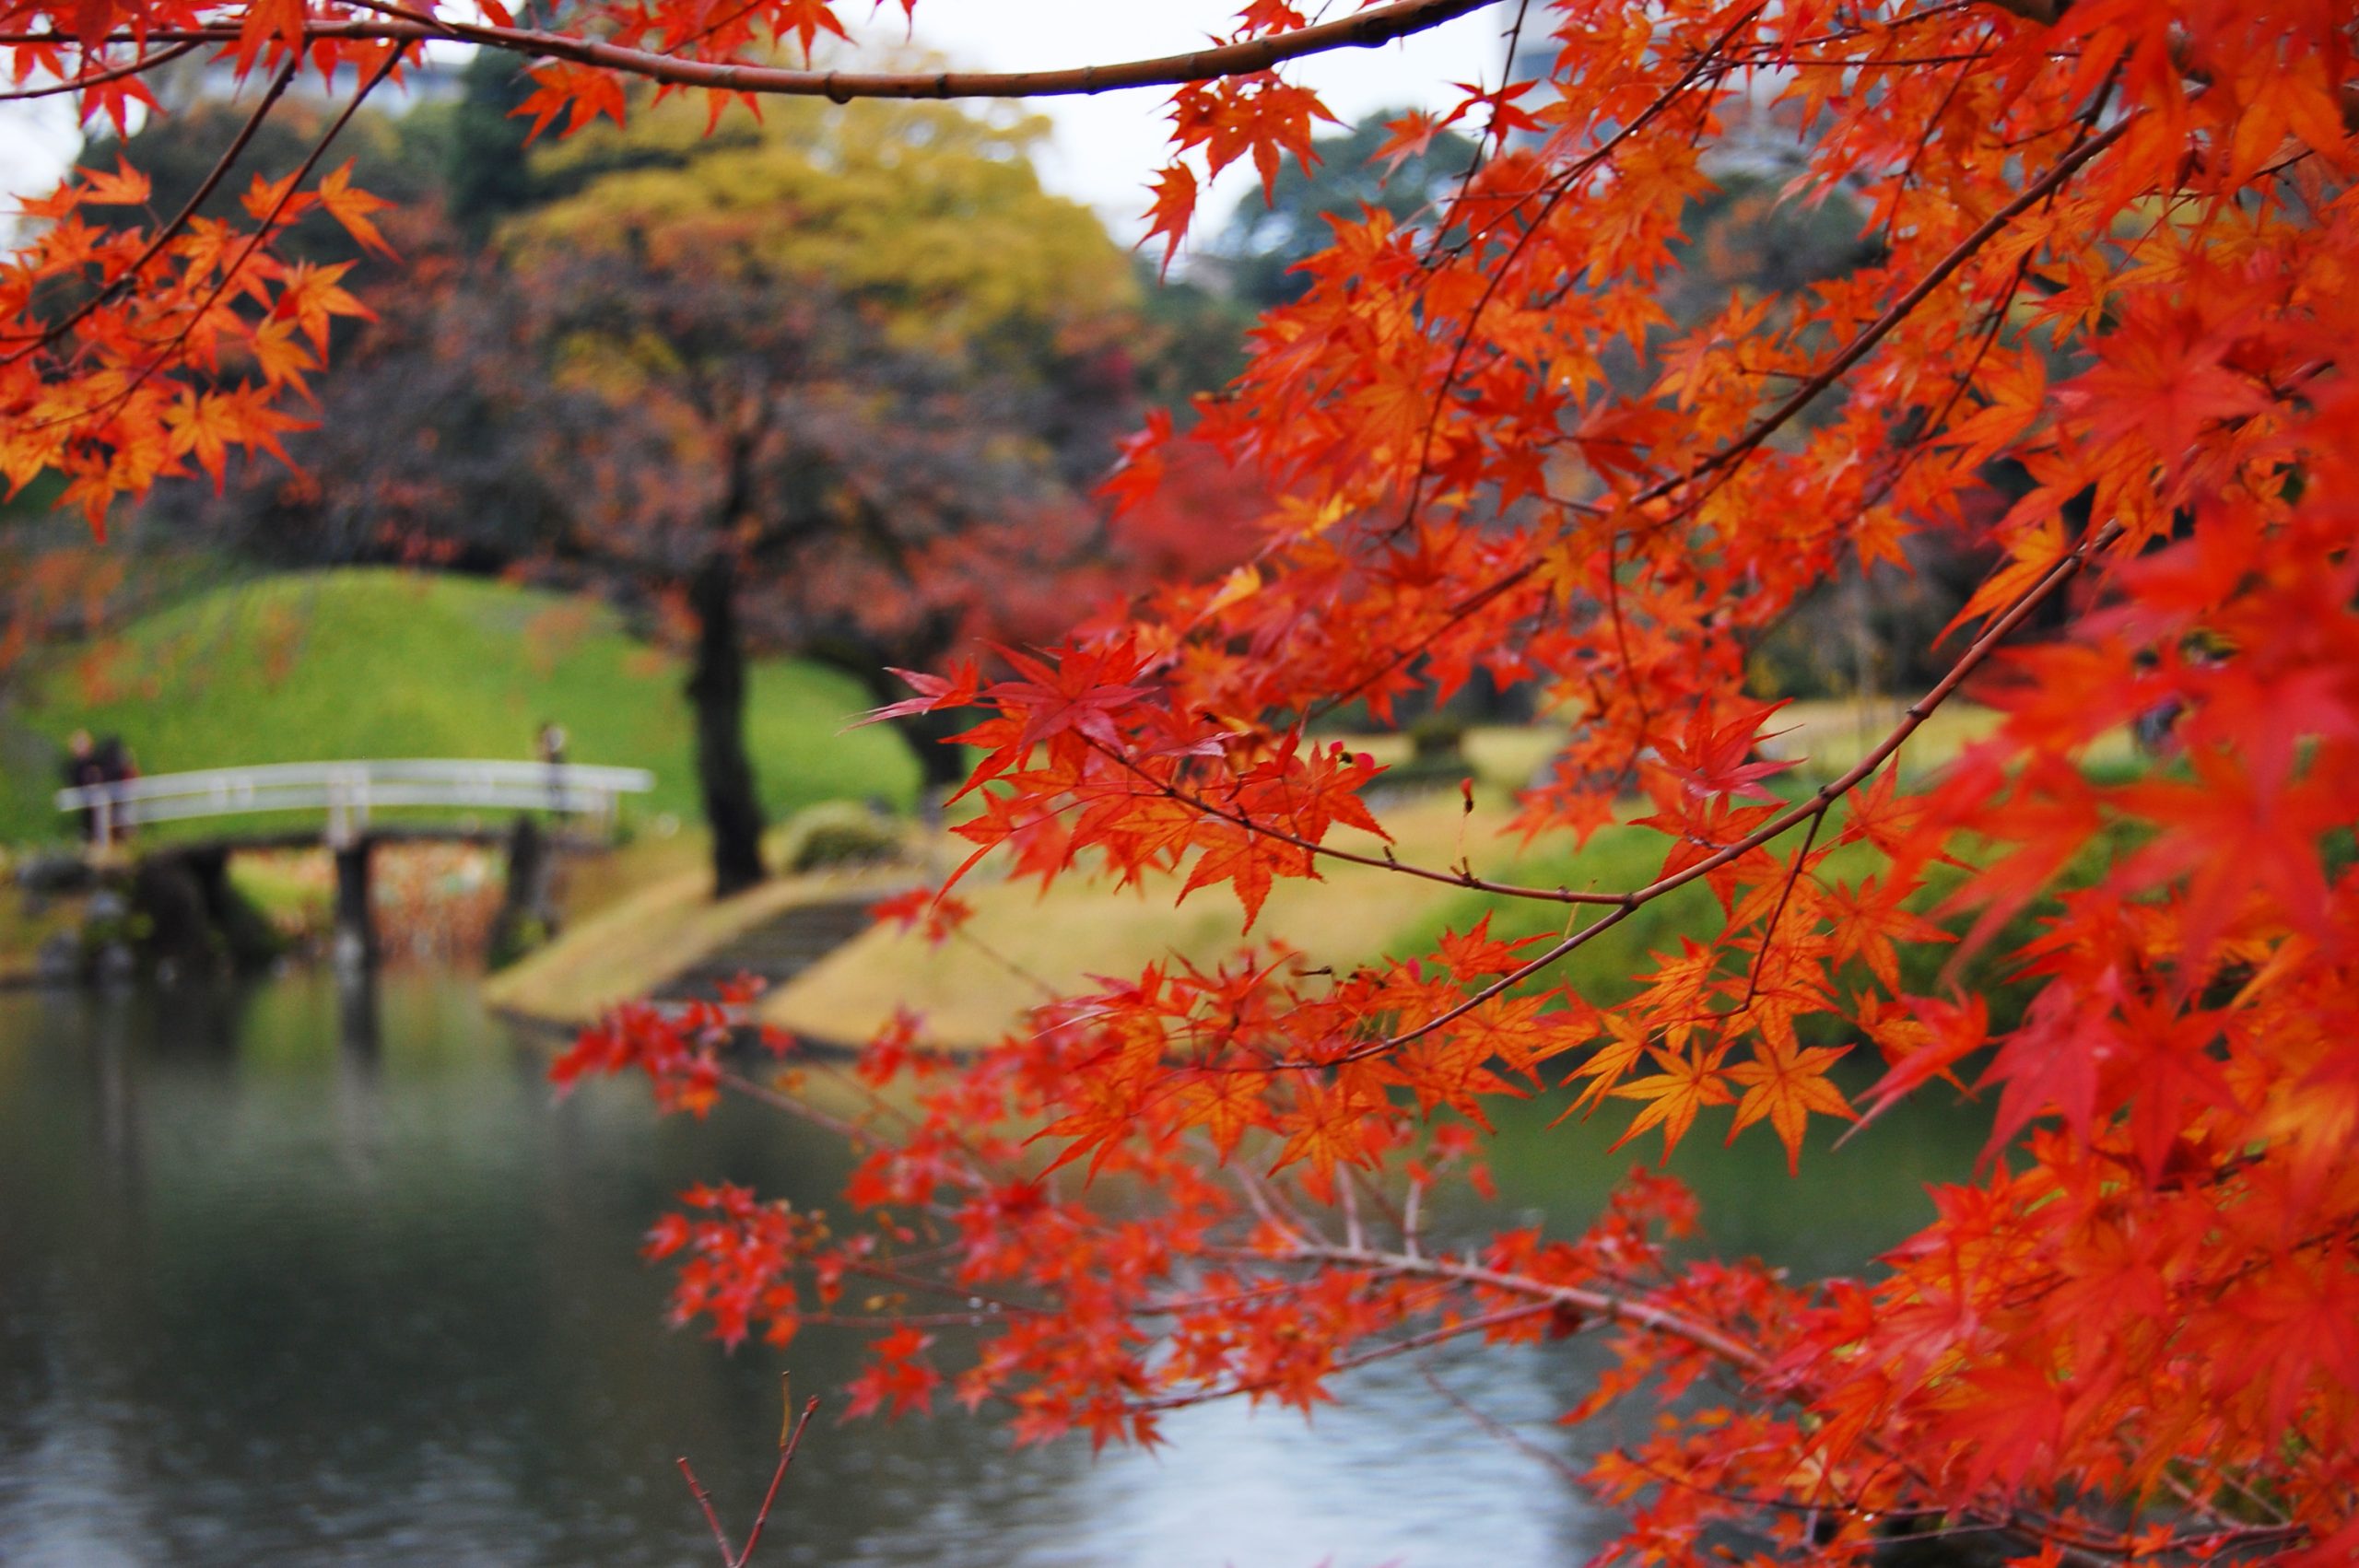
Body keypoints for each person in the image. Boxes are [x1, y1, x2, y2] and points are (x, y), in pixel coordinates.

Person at [61, 730, 106, 842]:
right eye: (78, 745)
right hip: (85, 803)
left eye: (83, 744)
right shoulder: (72, 766)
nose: (82, 748)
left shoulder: (98, 761)